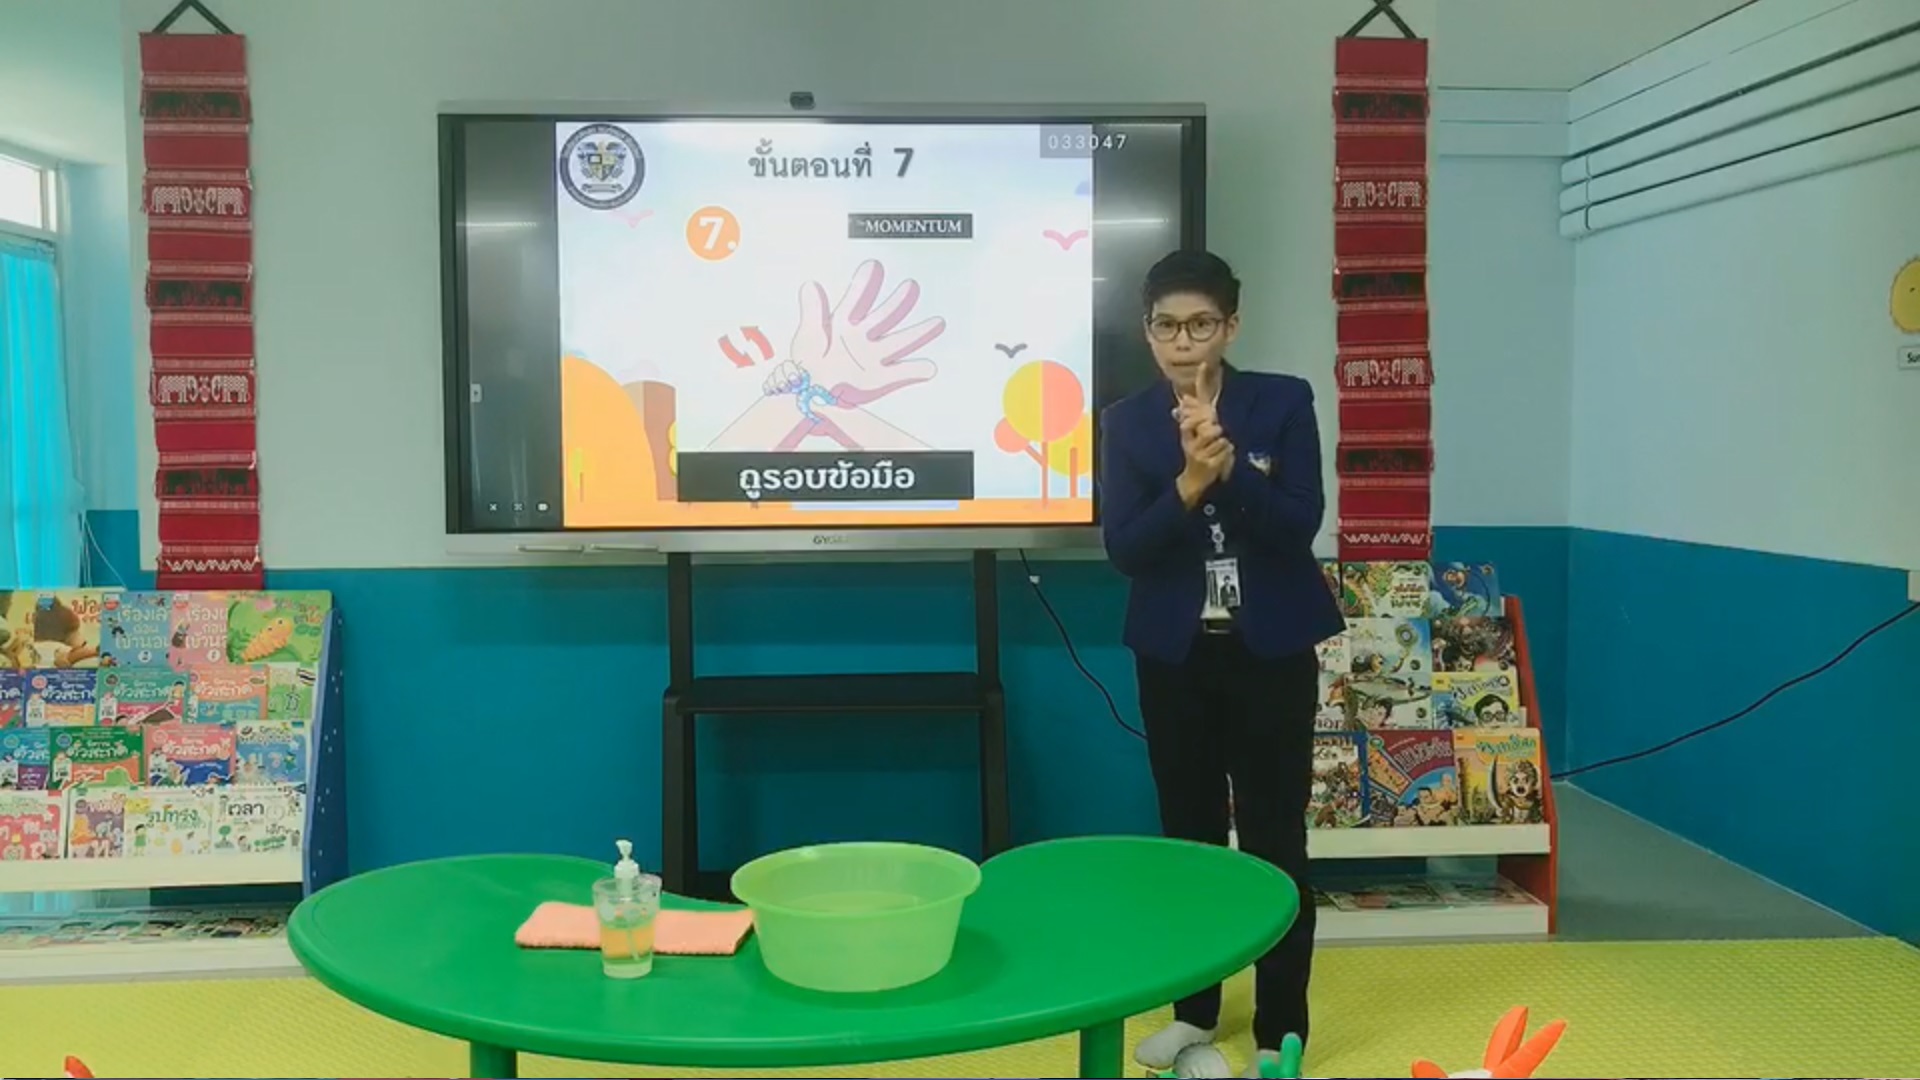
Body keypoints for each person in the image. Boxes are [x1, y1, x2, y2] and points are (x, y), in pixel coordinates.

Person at [1099, 250, 1345, 1078]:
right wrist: (1187, 485)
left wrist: (1228, 469)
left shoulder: (1282, 401)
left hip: (1270, 652)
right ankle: (1194, 1015)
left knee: (1276, 839)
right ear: (1147, 331)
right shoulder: (1127, 421)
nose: (1183, 341)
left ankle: (1281, 1027)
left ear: (1230, 326)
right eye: (1166, 325)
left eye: (1200, 323)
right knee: (1189, 840)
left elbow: (1298, 525)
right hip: (1175, 658)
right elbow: (1126, 550)